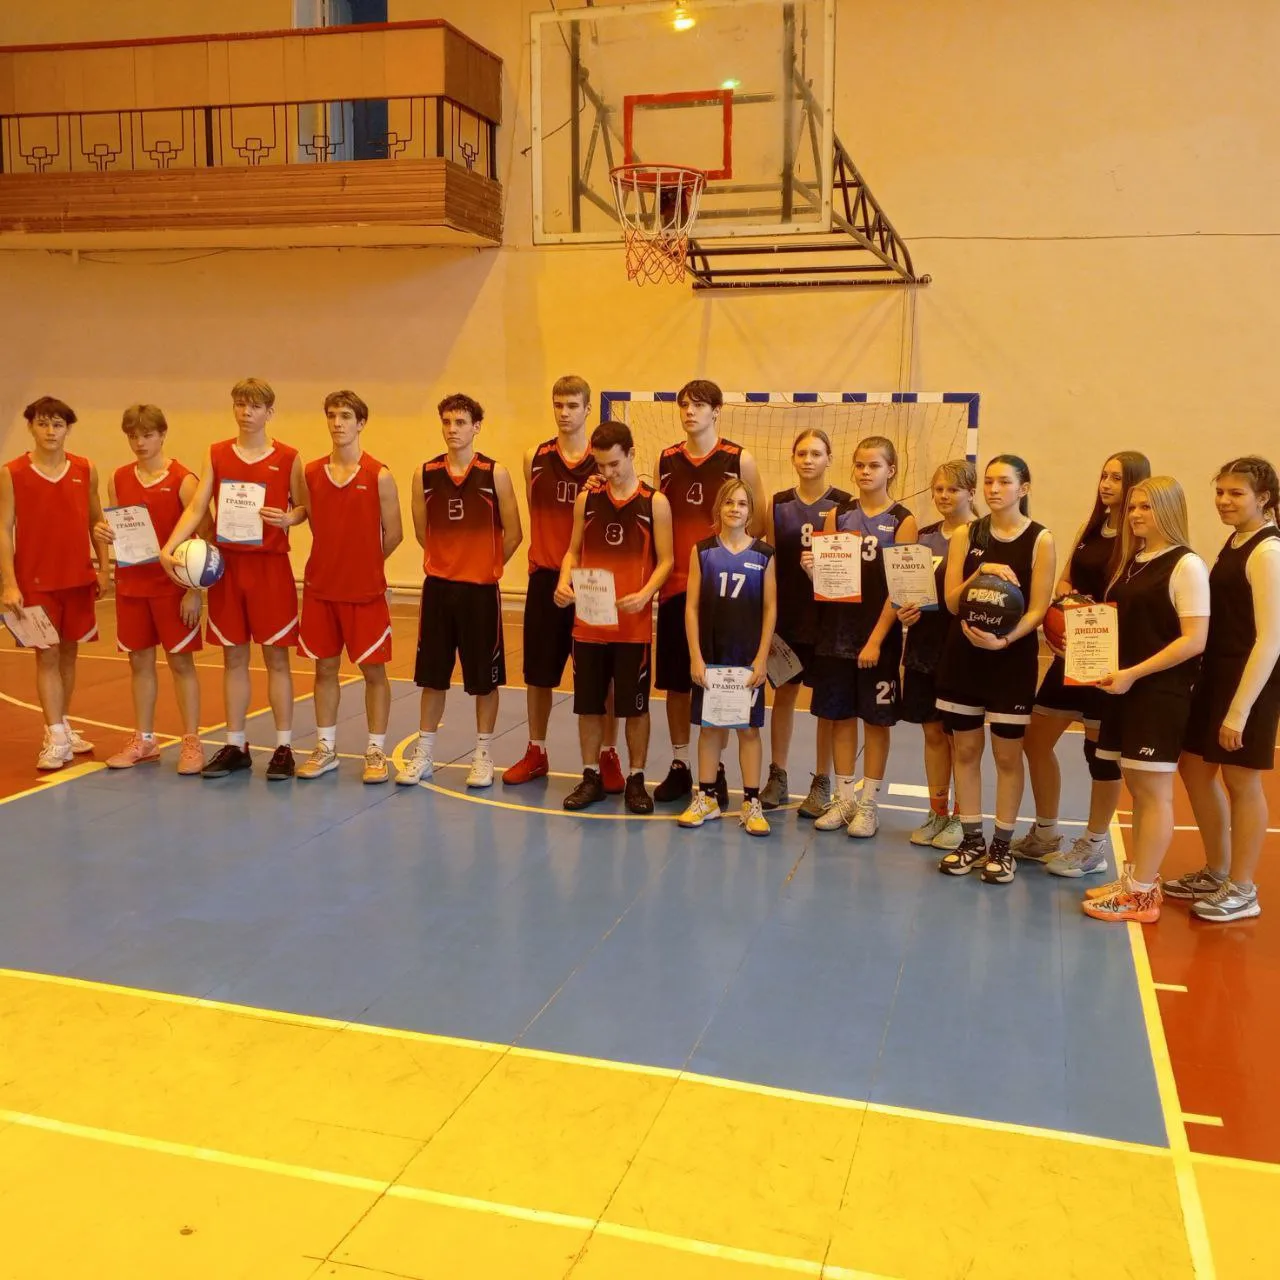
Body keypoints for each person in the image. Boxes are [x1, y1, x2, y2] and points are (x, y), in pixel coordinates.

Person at [1011, 452, 1150, 877]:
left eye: (1116, 478)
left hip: (1107, 659)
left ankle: (1093, 845)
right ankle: (1046, 833)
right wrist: (1066, 606)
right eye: (1104, 475)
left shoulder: (1138, 535)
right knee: (1035, 740)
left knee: (1100, 756)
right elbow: (1067, 579)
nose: (1106, 484)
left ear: (1135, 484)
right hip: (1071, 653)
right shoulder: (1093, 526)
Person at [162, 378, 307, 781]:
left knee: (276, 658)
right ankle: (236, 744)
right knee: (234, 657)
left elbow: (304, 507)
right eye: (240, 404)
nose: (246, 412)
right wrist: (169, 546)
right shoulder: (217, 453)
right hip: (229, 567)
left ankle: (283, 747)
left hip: (270, 568)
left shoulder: (289, 457)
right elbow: (197, 506)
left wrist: (289, 518)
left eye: (255, 406)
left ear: (269, 412)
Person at [1082, 477, 1209, 922]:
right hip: (1125, 689)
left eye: (1146, 507)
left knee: (1153, 793)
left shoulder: (1186, 565)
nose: (1135, 514)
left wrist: (1133, 673)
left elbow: (1194, 639)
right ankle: (1139, 881)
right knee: (1136, 788)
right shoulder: (1133, 560)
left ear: (1169, 511)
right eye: (1133, 507)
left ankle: (1140, 896)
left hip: (1159, 693)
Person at [1166, 457, 1280, 922]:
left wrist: (1239, 712)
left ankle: (1243, 888)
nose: (1224, 501)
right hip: (1215, 677)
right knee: (1194, 768)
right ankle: (1217, 871)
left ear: (1263, 498)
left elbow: (1271, 640)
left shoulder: (1268, 552)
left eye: (1236, 493)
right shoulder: (1236, 541)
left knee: (1241, 780)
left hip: (1250, 682)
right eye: (1220, 492)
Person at [936, 455, 1056, 883]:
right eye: (989, 481)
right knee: (965, 751)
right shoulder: (966, 534)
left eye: (1004, 481)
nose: (994, 489)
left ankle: (1002, 847)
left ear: (1024, 488)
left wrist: (1004, 640)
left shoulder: (1041, 539)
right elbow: (952, 602)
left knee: (1007, 755)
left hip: (1010, 659)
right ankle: (972, 840)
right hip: (964, 655)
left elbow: (1038, 609)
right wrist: (980, 572)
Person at [503, 376, 623, 791]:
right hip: (546, 578)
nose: (565, 412)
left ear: (588, 409)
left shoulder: (605, 464)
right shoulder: (534, 457)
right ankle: (536, 751)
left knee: (602, 678)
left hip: (593, 583)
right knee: (538, 674)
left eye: (573, 405)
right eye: (558, 404)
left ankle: (608, 754)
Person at [397, 393, 522, 788]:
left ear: (476, 427)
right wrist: (447, 560)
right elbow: (422, 531)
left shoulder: (495, 473)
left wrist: (486, 564)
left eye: (461, 422)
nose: (453, 429)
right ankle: (425, 754)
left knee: (484, 679)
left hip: (480, 591)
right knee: (432, 677)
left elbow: (514, 533)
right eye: (447, 422)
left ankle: (483, 754)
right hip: (438, 588)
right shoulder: (424, 474)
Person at [653, 380, 766, 807]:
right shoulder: (666, 459)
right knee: (678, 684)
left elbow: (759, 522)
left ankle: (718, 770)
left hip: (725, 594)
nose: (690, 412)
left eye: (699, 405)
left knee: (721, 682)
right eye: (684, 404)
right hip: (676, 588)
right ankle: (682, 764)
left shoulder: (739, 459)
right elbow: (658, 518)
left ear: (716, 411)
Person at [555, 421, 673, 812]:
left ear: (631, 453)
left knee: (635, 707)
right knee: (589, 705)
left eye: (614, 464)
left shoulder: (654, 503)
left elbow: (667, 560)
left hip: (632, 627)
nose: (607, 473)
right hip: (589, 623)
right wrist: (563, 581)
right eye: (601, 465)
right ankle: (590, 775)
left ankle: (636, 779)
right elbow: (572, 552)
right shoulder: (586, 501)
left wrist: (645, 594)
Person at [810, 436, 918, 837]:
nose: (865, 472)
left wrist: (875, 639)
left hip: (879, 638)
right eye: (860, 465)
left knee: (875, 721)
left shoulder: (903, 519)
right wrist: (812, 568)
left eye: (874, 465)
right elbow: (828, 580)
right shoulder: (837, 515)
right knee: (840, 718)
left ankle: (869, 803)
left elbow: (900, 586)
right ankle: (844, 799)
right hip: (836, 634)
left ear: (891, 470)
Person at [295, 391, 403, 783]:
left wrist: (366, 564)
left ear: (361, 423)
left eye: (345, 416)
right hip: (321, 590)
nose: (337, 423)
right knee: (324, 669)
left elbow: (395, 533)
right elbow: (314, 521)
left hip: (364, 593)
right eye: (331, 415)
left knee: (374, 672)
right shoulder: (310, 473)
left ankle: (375, 750)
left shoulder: (379, 475)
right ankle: (326, 747)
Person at [0, 396, 110, 771]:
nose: (50, 431)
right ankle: (55, 735)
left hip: (77, 579)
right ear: (31, 427)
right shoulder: (12, 473)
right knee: (46, 654)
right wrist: (9, 583)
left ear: (67, 429)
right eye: (43, 423)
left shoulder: (85, 468)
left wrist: (104, 568)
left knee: (68, 654)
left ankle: (61, 724)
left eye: (57, 424)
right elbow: (4, 529)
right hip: (35, 582)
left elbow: (97, 520)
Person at [94, 405, 204, 775]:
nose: (140, 443)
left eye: (147, 435)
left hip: (172, 588)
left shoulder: (184, 480)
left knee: (181, 663)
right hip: (132, 585)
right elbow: (117, 525)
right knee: (139, 663)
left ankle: (192, 740)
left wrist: (194, 590)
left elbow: (204, 537)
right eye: (133, 436)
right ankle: (144, 740)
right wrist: (102, 532)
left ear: (162, 435)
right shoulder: (119, 478)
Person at [679, 478, 777, 835]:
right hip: (712, 655)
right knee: (710, 727)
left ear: (751, 512)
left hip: (746, 656)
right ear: (718, 508)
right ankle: (706, 797)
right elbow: (691, 608)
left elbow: (770, 609)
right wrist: (696, 656)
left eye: (742, 503)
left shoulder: (763, 554)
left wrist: (762, 658)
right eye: (729, 502)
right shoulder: (703, 551)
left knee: (748, 730)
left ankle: (751, 801)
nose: (735, 509)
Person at [761, 429, 850, 817]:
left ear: (829, 458)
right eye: (802, 453)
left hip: (829, 620)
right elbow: (769, 559)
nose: (808, 460)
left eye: (816, 453)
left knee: (825, 703)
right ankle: (778, 775)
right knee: (784, 694)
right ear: (793, 458)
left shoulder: (845, 504)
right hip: (788, 617)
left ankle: (821, 781)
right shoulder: (778, 503)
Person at [897, 459, 977, 851]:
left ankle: (964, 816)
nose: (944, 496)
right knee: (931, 731)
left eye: (953, 490)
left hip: (961, 648)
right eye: (939, 489)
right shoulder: (924, 537)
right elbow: (906, 590)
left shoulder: (981, 537)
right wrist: (903, 611)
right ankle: (938, 812)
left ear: (971, 493)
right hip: (923, 645)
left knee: (958, 737)